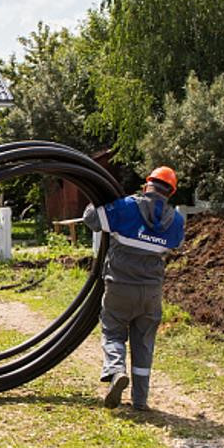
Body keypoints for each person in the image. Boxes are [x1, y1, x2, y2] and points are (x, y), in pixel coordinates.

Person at [83, 166, 185, 411]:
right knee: (144, 343)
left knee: (113, 331)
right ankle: (140, 400)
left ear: (146, 185)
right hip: (151, 292)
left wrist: (96, 199)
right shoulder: (176, 220)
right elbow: (177, 243)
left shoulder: (127, 206)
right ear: (170, 192)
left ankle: (116, 371)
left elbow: (91, 219)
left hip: (120, 285)